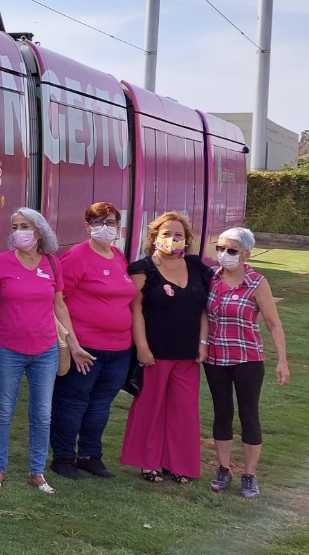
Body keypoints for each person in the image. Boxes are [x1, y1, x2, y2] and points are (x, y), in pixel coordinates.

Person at [0, 208, 76, 494]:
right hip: (7, 349)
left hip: (45, 350)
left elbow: (59, 305)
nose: (20, 232)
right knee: (3, 410)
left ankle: (37, 472)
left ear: (39, 231)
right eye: (16, 226)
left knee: (42, 413)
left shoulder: (53, 265)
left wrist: (74, 342)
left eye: (26, 226)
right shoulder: (0, 263)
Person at [50, 201, 138, 480]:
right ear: (87, 226)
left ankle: (90, 455)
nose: (105, 228)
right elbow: (57, 301)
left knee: (100, 404)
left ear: (118, 226)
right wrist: (73, 344)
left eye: (110, 222)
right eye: (98, 223)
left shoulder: (117, 255)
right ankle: (63, 458)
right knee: (72, 402)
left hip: (119, 349)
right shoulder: (75, 257)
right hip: (85, 348)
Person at [121, 210, 210, 484]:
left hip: (188, 354)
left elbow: (203, 311)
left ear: (187, 240)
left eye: (179, 235)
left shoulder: (197, 267)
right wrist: (142, 348)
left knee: (184, 412)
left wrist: (203, 343)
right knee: (151, 408)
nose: (173, 239)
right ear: (154, 237)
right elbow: (135, 310)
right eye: (167, 234)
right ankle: (149, 463)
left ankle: (179, 465)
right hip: (155, 354)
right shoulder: (142, 268)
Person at [204, 227, 291, 499]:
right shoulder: (212, 279)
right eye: (220, 248)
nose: (224, 255)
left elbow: (273, 323)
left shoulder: (256, 282)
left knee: (249, 413)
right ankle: (223, 468)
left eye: (231, 251)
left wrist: (282, 361)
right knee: (222, 412)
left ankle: (250, 474)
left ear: (245, 254)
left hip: (247, 358)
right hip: (216, 357)